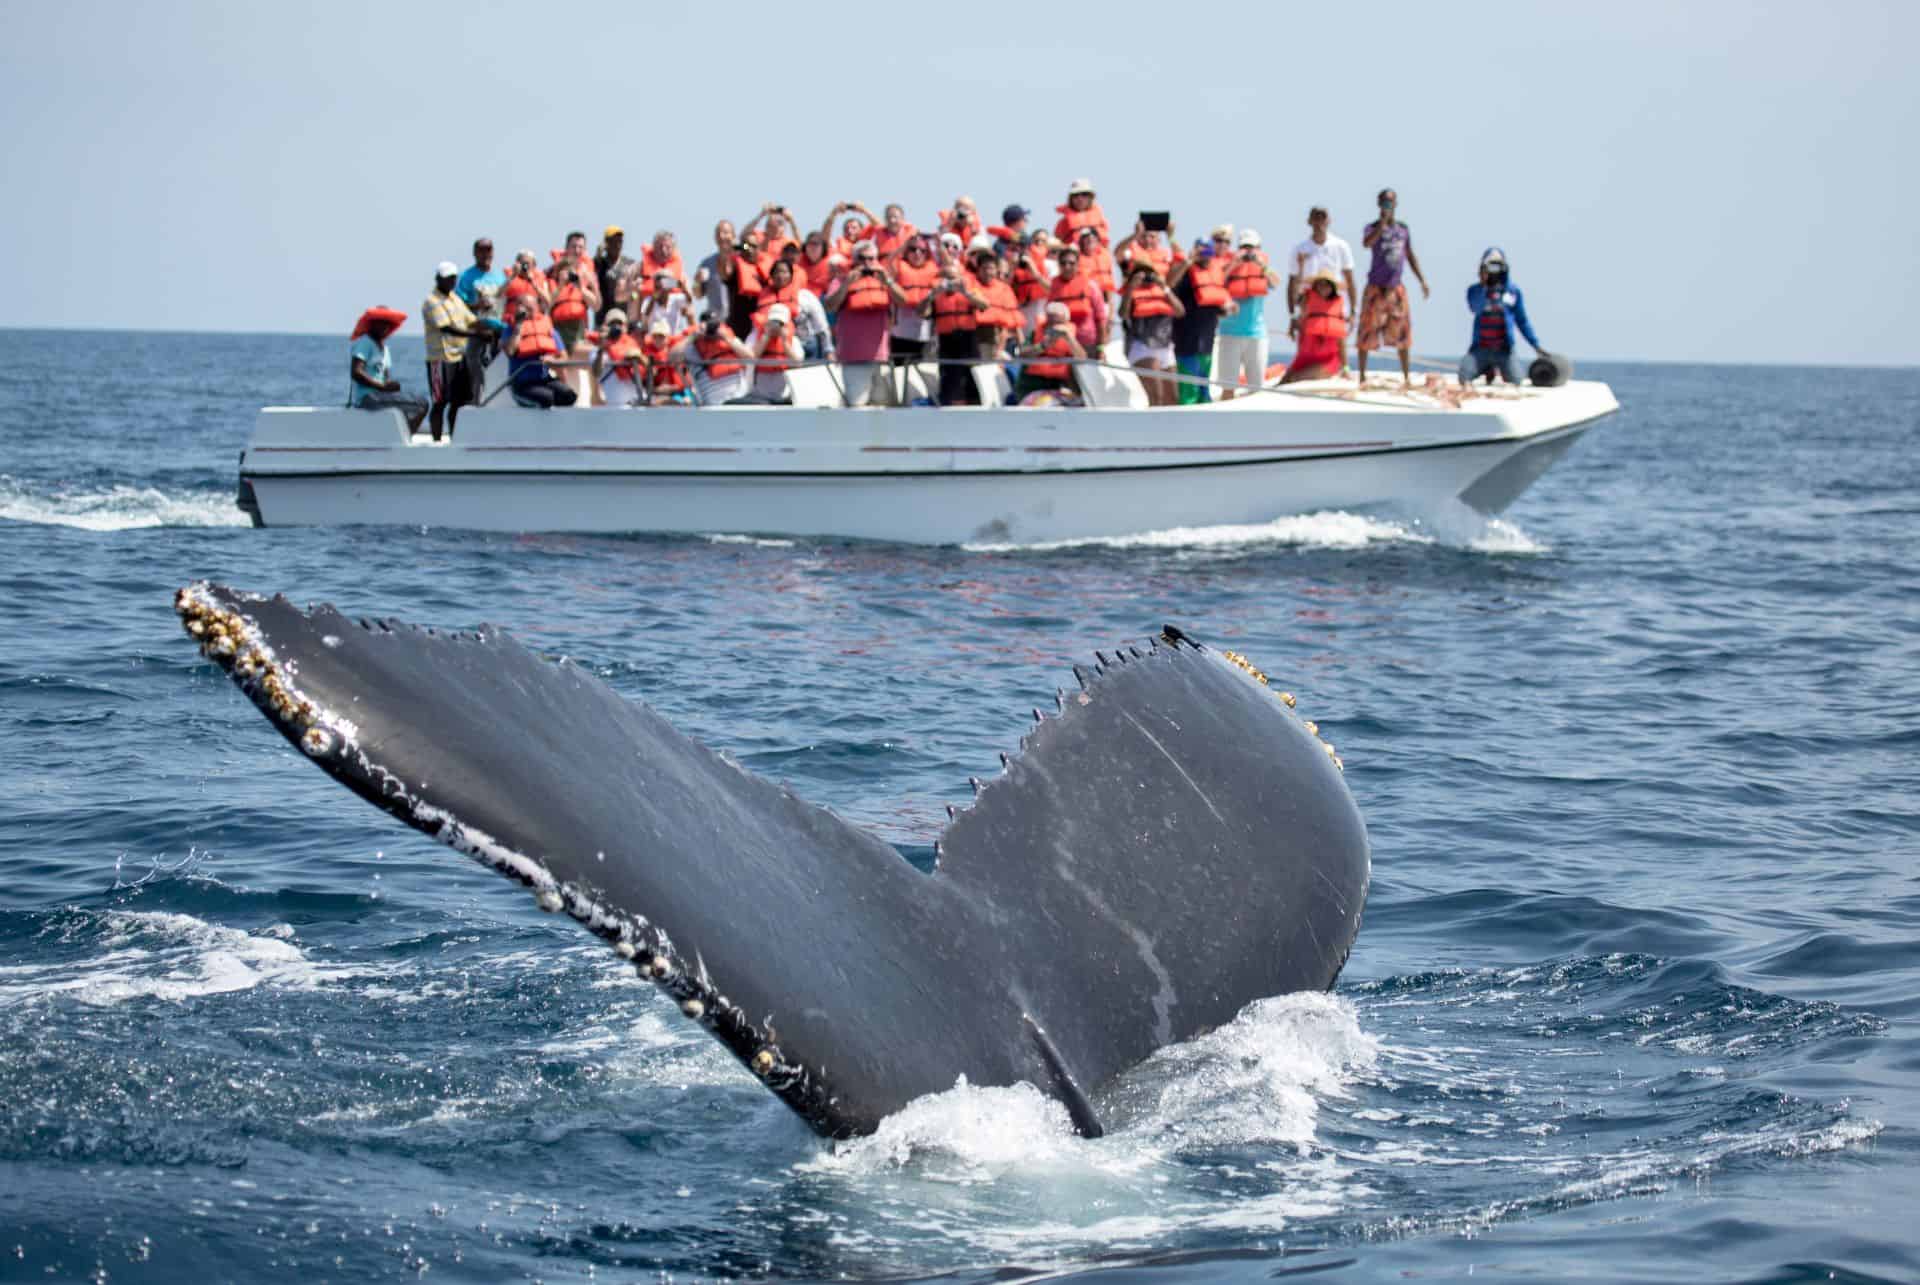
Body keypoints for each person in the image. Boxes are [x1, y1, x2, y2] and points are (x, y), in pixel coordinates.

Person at [1356, 188, 1431, 384]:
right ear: (1378, 204)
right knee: (1366, 331)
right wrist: (1381, 226)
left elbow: (1410, 255)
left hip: (1395, 287)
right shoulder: (1372, 227)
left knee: (1402, 333)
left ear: (1396, 203)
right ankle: (1362, 376)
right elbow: (1366, 243)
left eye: (1390, 201)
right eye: (1383, 202)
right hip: (1375, 287)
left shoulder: (1402, 229)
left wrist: (1422, 280)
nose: (1387, 205)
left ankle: (1406, 377)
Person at [822, 241, 908, 407]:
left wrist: (888, 281)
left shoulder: (884, 280)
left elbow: (903, 301)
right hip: (854, 358)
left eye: (871, 259)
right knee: (857, 405)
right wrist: (847, 284)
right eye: (862, 259)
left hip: (880, 357)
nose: (867, 263)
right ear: (854, 260)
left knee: (882, 406)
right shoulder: (841, 281)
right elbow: (830, 305)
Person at [1216, 229, 1282, 400]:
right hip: (1230, 333)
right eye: (1245, 247)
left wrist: (1261, 264)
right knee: (1227, 387)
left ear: (1259, 248)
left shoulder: (1262, 269)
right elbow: (1216, 283)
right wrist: (1234, 264)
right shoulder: (1228, 267)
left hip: (1256, 334)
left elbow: (1276, 282)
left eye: (1252, 247)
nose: (1248, 251)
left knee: (1256, 388)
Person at [1460, 248, 1542, 385]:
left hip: (1504, 350)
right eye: (1490, 266)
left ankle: (1498, 369)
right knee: (1464, 377)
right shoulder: (1474, 290)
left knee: (1516, 380)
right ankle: (1487, 369)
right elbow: (1476, 307)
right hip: (1480, 349)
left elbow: (1522, 320)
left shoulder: (1512, 292)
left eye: (1497, 266)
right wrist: (1483, 285)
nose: (1494, 270)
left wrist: (1535, 345)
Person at [1169, 238, 1232, 404]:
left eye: (1209, 253)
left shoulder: (1213, 276)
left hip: (1207, 343)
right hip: (1186, 344)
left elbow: (1215, 306)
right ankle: (1185, 425)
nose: (1206, 257)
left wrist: (1226, 309)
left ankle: (1206, 425)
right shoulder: (1186, 274)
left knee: (1204, 390)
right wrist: (1187, 262)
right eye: (1202, 253)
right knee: (1189, 391)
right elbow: (1170, 286)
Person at [422, 262, 479, 439]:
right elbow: (446, 327)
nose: (451, 281)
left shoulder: (455, 298)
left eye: (453, 278)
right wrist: (475, 334)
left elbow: (471, 319)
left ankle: (455, 438)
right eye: (447, 278)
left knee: (459, 401)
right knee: (440, 402)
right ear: (438, 279)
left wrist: (492, 328)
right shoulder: (432, 301)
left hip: (459, 356)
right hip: (440, 358)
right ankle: (437, 440)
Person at [348, 306, 427, 430]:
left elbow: (385, 378)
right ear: (373, 324)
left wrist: (390, 385)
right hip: (367, 398)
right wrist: (381, 387)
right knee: (422, 405)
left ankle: (400, 434)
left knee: (420, 402)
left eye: (388, 324)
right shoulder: (365, 342)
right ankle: (406, 437)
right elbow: (356, 372)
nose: (385, 327)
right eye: (382, 323)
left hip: (380, 396)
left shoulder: (384, 349)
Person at [1288, 207, 1357, 345]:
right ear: (1309, 221)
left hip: (1335, 307)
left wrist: (1353, 311)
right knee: (1308, 351)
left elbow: (1350, 280)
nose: (1319, 222)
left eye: (1322, 218)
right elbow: (1292, 283)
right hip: (1308, 307)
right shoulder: (1299, 249)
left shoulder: (1341, 246)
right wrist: (1292, 314)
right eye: (1316, 218)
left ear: (1329, 220)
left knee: (1336, 350)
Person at [1119, 261, 1185, 405]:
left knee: (1173, 397)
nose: (1146, 279)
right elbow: (1123, 313)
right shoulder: (1131, 293)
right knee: (1157, 395)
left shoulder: (1162, 291)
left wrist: (1164, 287)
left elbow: (1180, 311)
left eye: (1149, 274)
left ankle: (1170, 427)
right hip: (1143, 347)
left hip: (1165, 347)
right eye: (1141, 275)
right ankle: (1154, 426)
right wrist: (1130, 288)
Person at [924, 265, 989, 405]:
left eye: (953, 278)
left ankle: (974, 408)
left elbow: (985, 305)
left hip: (968, 341)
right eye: (946, 278)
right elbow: (922, 312)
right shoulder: (936, 296)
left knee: (972, 381)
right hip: (947, 344)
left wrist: (965, 292)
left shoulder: (969, 292)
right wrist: (931, 295)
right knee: (949, 382)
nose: (950, 282)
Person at [503, 298, 578, 408]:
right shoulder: (511, 329)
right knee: (546, 398)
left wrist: (553, 360)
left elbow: (564, 357)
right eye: (524, 308)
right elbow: (510, 351)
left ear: (537, 308)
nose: (527, 311)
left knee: (568, 396)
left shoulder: (548, 329)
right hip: (522, 384)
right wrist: (519, 326)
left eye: (531, 308)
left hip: (544, 380)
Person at [1281, 271, 1348, 383]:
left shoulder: (1337, 309)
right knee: (1284, 380)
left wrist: (1346, 368)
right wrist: (1301, 267)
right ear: (1315, 286)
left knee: (1295, 378)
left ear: (1333, 288)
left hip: (1327, 361)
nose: (1323, 287)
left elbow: (1342, 341)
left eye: (1327, 284)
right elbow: (1295, 295)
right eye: (1320, 284)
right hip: (1305, 357)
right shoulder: (1307, 301)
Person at [1012, 302, 1087, 401]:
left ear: (1065, 321)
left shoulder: (1071, 336)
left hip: (1058, 387)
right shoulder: (1036, 334)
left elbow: (1082, 358)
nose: (1054, 326)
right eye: (1050, 322)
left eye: (1058, 323)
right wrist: (1043, 346)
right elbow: (1022, 353)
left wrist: (1069, 338)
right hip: (1031, 387)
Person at [672, 315, 754, 405]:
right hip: (713, 402)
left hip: (739, 397)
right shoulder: (693, 347)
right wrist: (693, 337)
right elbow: (673, 357)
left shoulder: (728, 338)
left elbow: (750, 357)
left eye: (713, 324)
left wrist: (726, 338)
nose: (710, 329)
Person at [889, 235, 940, 370]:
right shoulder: (899, 267)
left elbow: (948, 264)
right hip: (900, 334)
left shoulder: (933, 269)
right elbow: (890, 262)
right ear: (907, 252)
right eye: (913, 249)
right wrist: (905, 244)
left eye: (922, 250)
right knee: (898, 372)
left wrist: (938, 240)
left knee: (921, 372)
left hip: (924, 335)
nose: (917, 253)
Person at [1047, 242, 1108, 352]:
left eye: (1071, 263)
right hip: (1062, 345)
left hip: (1088, 343)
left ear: (1077, 264)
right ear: (1059, 265)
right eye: (1063, 263)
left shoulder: (1090, 285)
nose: (1067, 267)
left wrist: (1101, 347)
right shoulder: (1054, 287)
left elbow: (1101, 319)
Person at [592, 309, 648, 408]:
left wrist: (640, 358)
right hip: (615, 405)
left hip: (637, 403)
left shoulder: (633, 345)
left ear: (625, 327)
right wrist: (601, 349)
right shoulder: (598, 350)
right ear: (606, 326)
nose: (616, 327)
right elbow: (596, 373)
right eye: (612, 324)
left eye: (619, 324)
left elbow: (650, 372)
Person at [747, 303, 801, 403]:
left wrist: (785, 342)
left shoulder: (793, 340)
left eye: (780, 323)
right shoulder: (755, 336)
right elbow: (750, 358)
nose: (776, 326)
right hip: (760, 395)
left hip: (784, 395)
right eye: (773, 322)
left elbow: (798, 363)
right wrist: (766, 337)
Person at [640, 318, 690, 405]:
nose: (658, 339)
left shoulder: (677, 352)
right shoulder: (646, 353)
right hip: (655, 393)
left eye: (661, 336)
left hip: (678, 393)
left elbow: (684, 381)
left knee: (687, 400)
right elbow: (645, 382)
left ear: (667, 337)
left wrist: (671, 388)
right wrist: (656, 390)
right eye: (655, 336)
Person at [593, 226, 634, 325]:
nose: (617, 245)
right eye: (613, 241)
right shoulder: (599, 263)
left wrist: (633, 296)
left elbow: (635, 290)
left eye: (619, 241)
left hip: (624, 316)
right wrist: (598, 253)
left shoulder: (630, 264)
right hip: (603, 317)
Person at [455, 238, 506, 314]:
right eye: (481, 251)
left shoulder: (501, 276)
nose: (485, 255)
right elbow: (458, 305)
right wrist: (478, 306)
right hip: (476, 323)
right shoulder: (465, 277)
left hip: (499, 323)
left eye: (488, 250)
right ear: (474, 253)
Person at [1054, 178, 1109, 246]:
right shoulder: (1063, 222)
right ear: (1071, 199)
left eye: (1084, 194)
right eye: (1075, 195)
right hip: (1075, 254)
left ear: (1090, 197)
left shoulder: (1100, 220)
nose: (1080, 198)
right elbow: (1056, 244)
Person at [638, 271, 694, 337]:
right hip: (654, 341)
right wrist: (653, 300)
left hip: (672, 340)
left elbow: (690, 300)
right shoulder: (648, 300)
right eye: (658, 280)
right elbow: (645, 316)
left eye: (666, 281)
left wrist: (682, 286)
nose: (662, 284)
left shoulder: (676, 299)